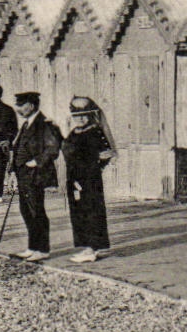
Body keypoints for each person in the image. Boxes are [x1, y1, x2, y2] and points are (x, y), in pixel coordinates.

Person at [62, 96, 115, 263]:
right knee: (79, 212)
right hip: (74, 178)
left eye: (84, 115)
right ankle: (90, 247)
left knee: (91, 211)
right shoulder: (74, 132)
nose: (80, 119)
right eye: (76, 115)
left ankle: (92, 248)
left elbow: (106, 154)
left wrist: (92, 169)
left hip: (89, 179)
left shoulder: (95, 132)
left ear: (90, 115)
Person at [10, 92, 61, 261]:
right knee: (26, 211)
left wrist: (36, 161)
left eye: (21, 105)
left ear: (31, 106)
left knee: (36, 211)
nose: (17, 109)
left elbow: (53, 149)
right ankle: (32, 247)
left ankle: (43, 249)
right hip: (23, 175)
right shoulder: (26, 124)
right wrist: (13, 170)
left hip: (36, 174)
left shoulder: (44, 124)